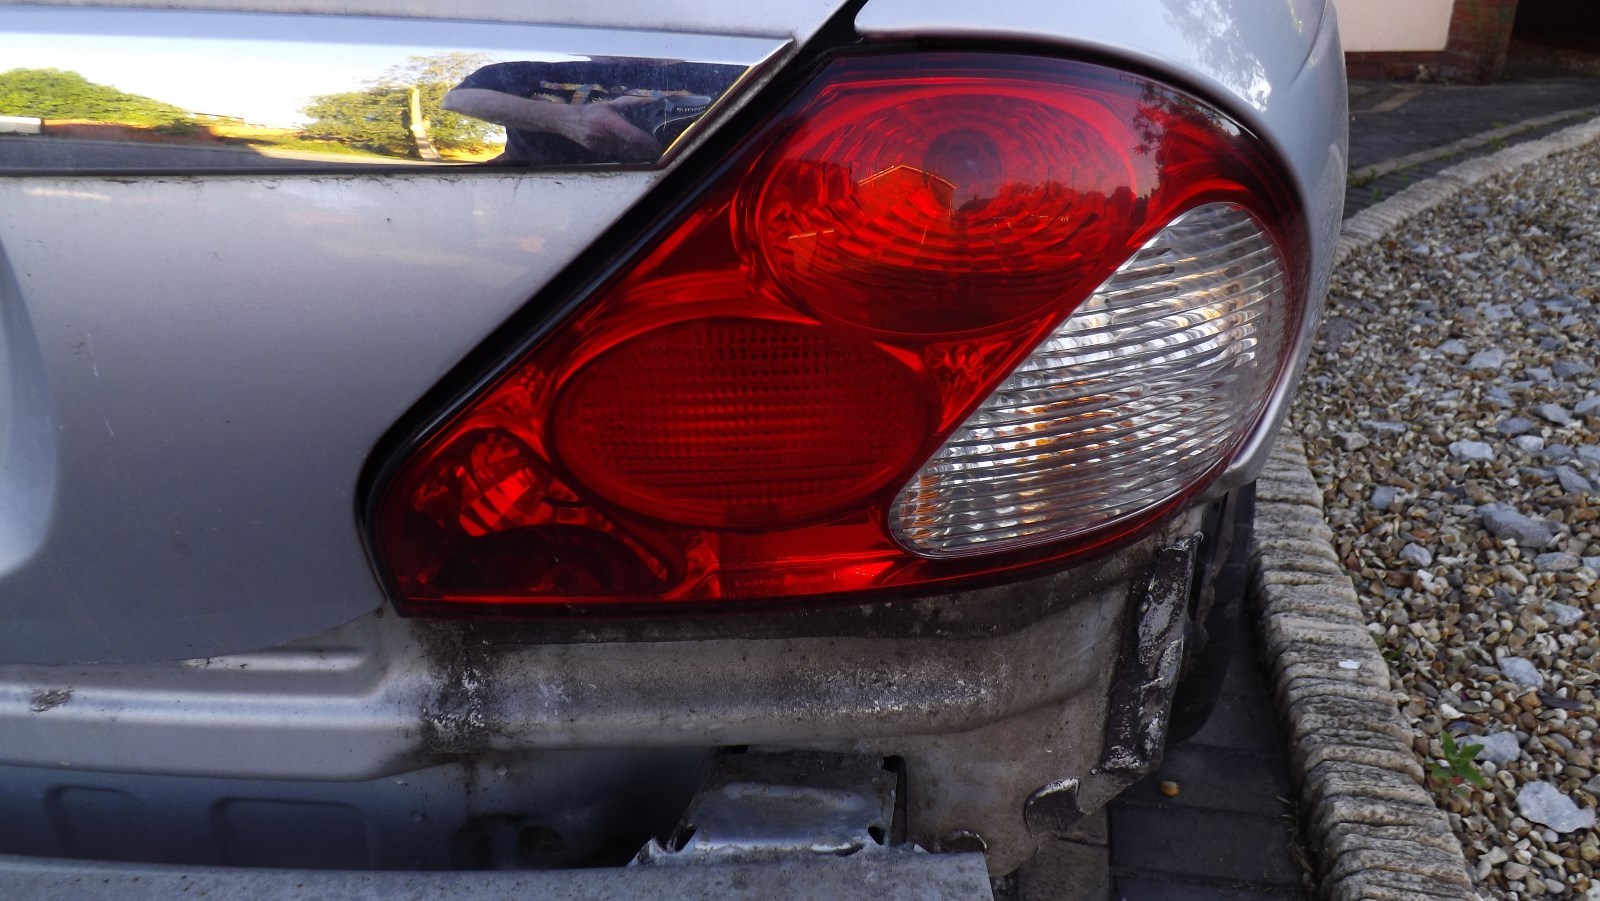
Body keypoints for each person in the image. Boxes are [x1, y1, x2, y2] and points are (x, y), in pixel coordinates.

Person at [441, 60, 743, 166]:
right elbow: (457, 100)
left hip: (674, 207)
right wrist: (567, 120)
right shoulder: (541, 66)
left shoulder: (721, 72)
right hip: (531, 201)